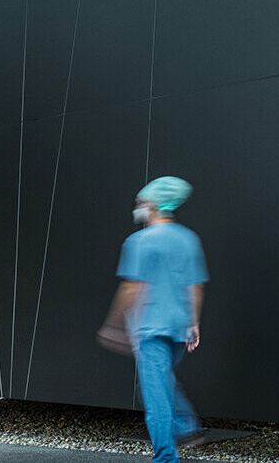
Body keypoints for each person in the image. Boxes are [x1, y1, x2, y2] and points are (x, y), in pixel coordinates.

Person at [115, 176, 207, 463]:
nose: (138, 207)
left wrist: (113, 326)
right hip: (178, 329)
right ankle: (188, 427)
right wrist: (193, 324)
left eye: (141, 203)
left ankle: (166, 457)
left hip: (150, 329)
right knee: (161, 383)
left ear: (153, 206)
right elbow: (195, 287)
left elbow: (131, 287)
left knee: (156, 398)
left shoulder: (140, 241)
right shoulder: (188, 239)